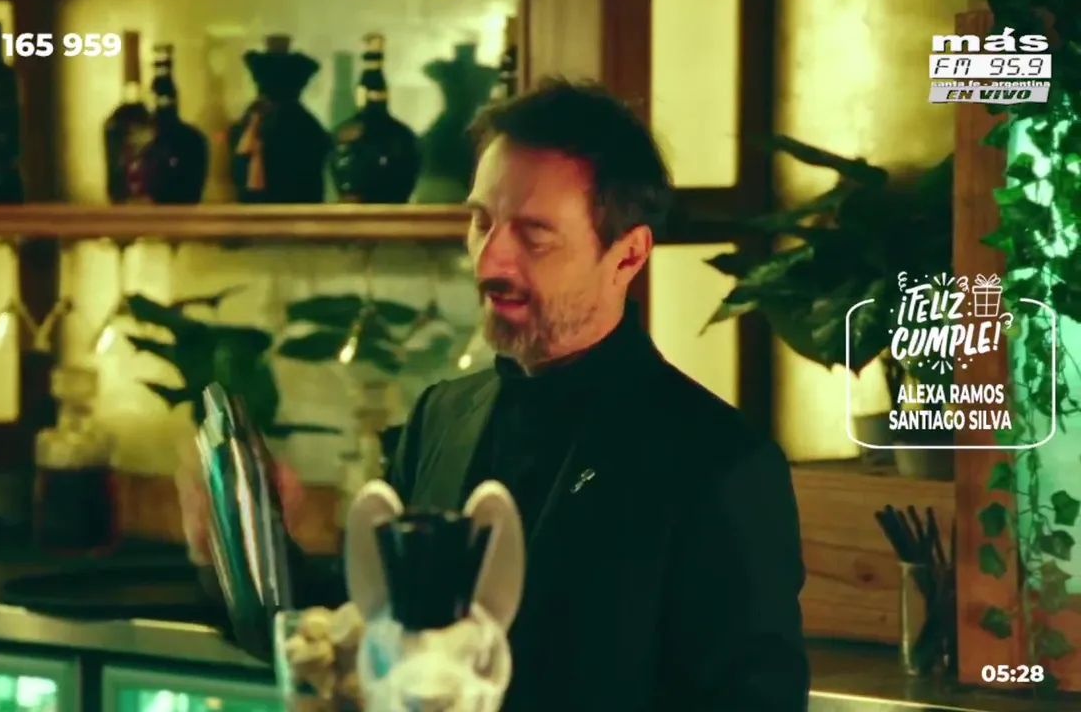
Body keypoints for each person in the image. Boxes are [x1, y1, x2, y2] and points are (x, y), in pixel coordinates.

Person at [178, 78, 810, 711]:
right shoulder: (443, 417)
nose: (490, 261)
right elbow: (363, 639)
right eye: (481, 221)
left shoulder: (719, 465)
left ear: (627, 255)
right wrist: (241, 552)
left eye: (534, 234)